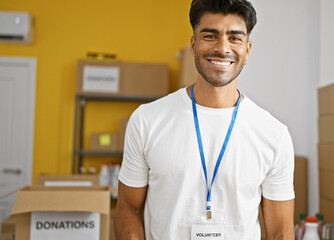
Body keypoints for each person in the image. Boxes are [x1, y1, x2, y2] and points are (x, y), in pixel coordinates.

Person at [114, 0, 295, 239]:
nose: (222, 48)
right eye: (210, 36)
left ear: (248, 50)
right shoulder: (147, 120)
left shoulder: (274, 134)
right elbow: (128, 207)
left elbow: (281, 231)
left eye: (235, 38)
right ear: (193, 45)